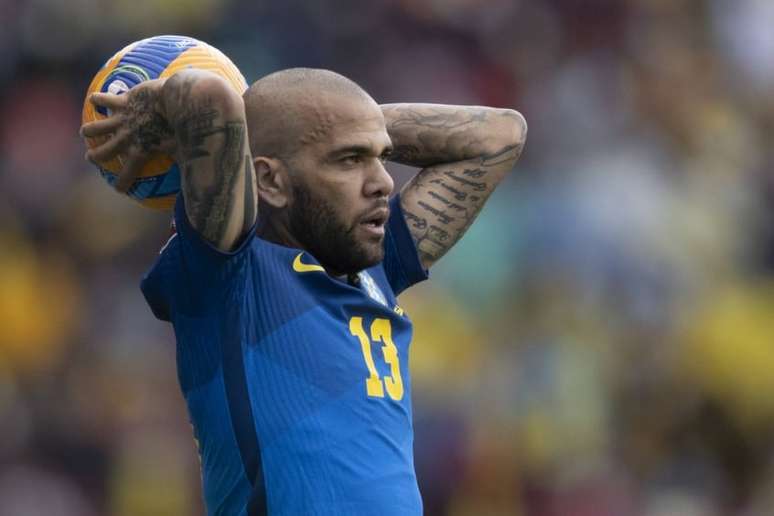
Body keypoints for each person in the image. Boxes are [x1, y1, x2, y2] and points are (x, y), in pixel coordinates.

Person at [80, 67, 526, 516]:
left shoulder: (373, 267)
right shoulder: (229, 276)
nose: (384, 181)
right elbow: (206, 94)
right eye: (350, 160)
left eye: (381, 157)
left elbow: (501, 134)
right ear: (270, 181)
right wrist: (163, 104)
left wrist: (336, 125)